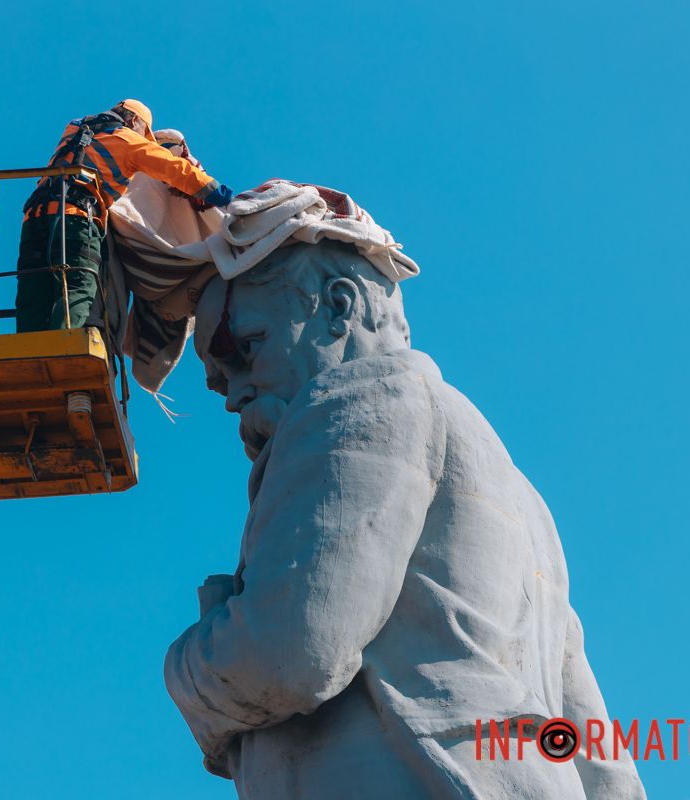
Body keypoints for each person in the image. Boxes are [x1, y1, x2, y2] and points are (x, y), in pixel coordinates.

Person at [165, 238, 645, 798]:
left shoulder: (358, 398)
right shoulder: (524, 501)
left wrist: (187, 665)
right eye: (221, 378)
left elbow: (291, 651)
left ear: (339, 306)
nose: (232, 394)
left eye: (247, 348)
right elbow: (603, 763)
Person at [14, 99, 232, 333]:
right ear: (134, 120)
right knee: (78, 285)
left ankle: (29, 352)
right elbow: (174, 169)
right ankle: (64, 349)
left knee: (33, 289)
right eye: (144, 132)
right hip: (75, 219)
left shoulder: (74, 129)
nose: (143, 137)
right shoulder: (128, 141)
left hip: (35, 218)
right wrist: (218, 194)